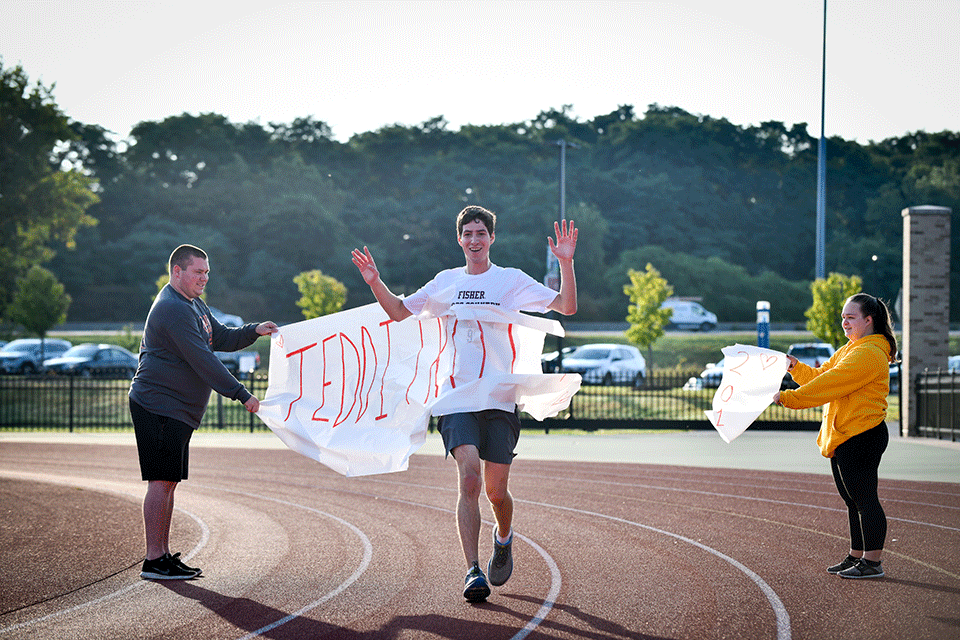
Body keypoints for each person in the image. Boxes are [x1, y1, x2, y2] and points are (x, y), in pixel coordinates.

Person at [351, 205, 578, 602]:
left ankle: (503, 536)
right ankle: (472, 570)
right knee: (469, 476)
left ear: (492, 238)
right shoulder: (445, 282)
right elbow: (400, 312)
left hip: (501, 397)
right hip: (456, 395)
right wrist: (375, 282)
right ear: (459, 239)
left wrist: (566, 263)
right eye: (468, 234)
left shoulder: (510, 280)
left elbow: (566, 306)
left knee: (495, 492)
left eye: (481, 233)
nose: (474, 240)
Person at [130, 244, 278, 580]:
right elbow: (203, 359)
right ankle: (154, 559)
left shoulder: (193, 304)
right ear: (177, 272)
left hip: (175, 408)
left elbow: (219, 337)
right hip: (158, 404)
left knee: (168, 481)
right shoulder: (172, 308)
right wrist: (243, 395)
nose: (204, 278)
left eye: (207, 272)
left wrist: (254, 330)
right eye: (198, 272)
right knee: (161, 480)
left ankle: (162, 555)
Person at [774, 293, 897, 579]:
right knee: (852, 500)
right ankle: (857, 555)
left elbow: (831, 383)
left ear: (869, 320)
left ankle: (872, 562)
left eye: (850, 317)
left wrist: (788, 398)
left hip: (862, 434)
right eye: (843, 317)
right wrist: (796, 368)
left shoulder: (868, 353)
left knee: (865, 499)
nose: (844, 322)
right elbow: (821, 375)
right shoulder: (851, 349)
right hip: (846, 434)